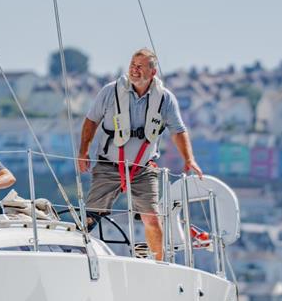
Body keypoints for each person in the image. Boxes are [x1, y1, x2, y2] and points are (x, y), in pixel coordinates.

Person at [77, 48, 202, 260]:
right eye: (132, 65)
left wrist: (189, 159)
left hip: (143, 168)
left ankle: (159, 263)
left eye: (140, 66)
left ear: (152, 72)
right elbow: (91, 121)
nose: (134, 70)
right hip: (109, 165)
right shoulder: (110, 92)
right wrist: (83, 151)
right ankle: (78, 256)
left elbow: (178, 131)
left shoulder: (164, 99)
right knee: (91, 216)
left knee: (152, 219)